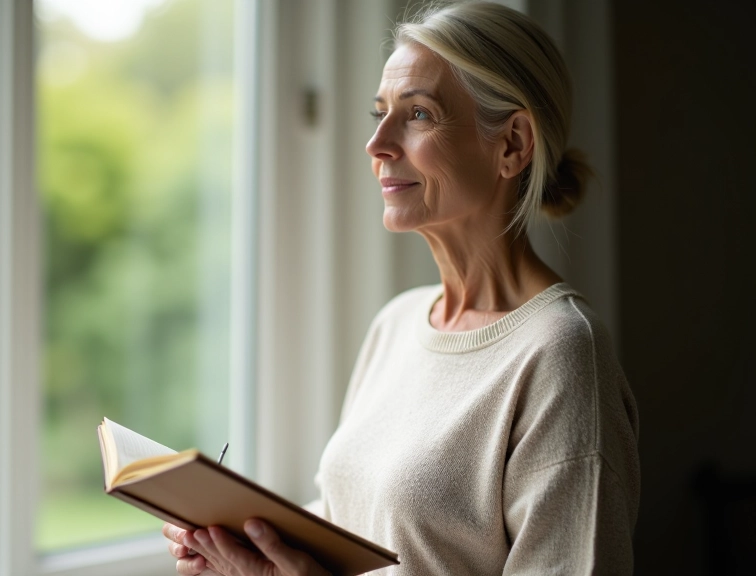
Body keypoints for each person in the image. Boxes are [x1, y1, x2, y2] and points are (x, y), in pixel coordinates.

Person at [164, 2, 640, 574]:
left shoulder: (562, 354)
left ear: (513, 144)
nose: (377, 143)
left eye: (418, 114)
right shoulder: (397, 324)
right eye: (379, 113)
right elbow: (354, 524)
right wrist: (248, 550)